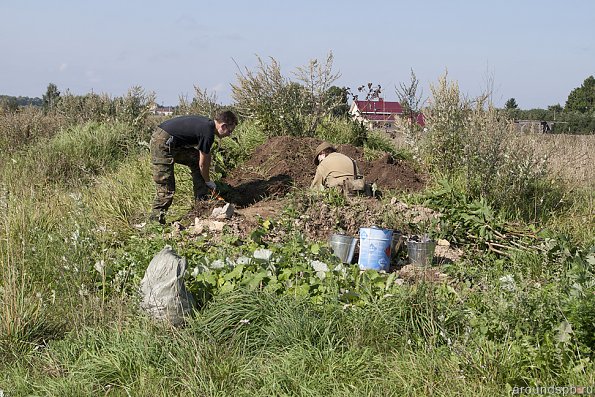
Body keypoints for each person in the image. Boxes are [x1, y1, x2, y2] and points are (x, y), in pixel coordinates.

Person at [149, 110, 238, 224]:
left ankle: (201, 203)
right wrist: (207, 181)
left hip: (167, 140)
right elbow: (203, 164)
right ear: (223, 126)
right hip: (162, 143)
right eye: (230, 131)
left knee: (195, 159)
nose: (229, 134)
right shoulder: (208, 132)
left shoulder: (208, 126)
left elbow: (204, 157)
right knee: (166, 187)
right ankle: (155, 223)